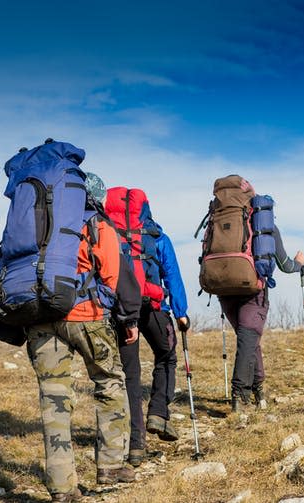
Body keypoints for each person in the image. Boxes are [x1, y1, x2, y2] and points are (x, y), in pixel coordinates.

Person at [25, 172, 139, 502]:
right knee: (110, 382)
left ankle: (62, 488)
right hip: (86, 316)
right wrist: (115, 316)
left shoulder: (40, 225)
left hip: (42, 318)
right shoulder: (99, 225)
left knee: (54, 398)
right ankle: (110, 465)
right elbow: (112, 278)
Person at [105, 187, 190, 467]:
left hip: (122, 311)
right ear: (145, 209)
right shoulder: (157, 236)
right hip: (154, 307)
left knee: (130, 375)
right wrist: (181, 312)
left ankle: (136, 445)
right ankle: (158, 412)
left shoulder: (108, 234)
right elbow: (172, 274)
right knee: (166, 356)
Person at [219, 195, 304, 413]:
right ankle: (239, 395)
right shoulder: (265, 227)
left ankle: (258, 388)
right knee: (248, 340)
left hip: (224, 289)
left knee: (248, 340)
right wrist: (299, 264)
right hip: (253, 289)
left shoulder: (220, 222)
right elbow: (285, 265)